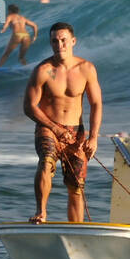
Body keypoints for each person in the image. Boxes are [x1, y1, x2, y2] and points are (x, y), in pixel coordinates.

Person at [22, 22, 102, 224]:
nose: (60, 45)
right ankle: (41, 212)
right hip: (49, 126)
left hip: (76, 132)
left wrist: (93, 137)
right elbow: (29, 106)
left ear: (73, 41)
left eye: (64, 40)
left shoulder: (86, 69)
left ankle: (76, 227)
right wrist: (55, 128)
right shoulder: (44, 70)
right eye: (55, 41)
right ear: (50, 43)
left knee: (76, 185)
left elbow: (96, 104)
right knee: (46, 161)